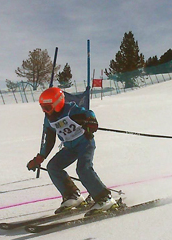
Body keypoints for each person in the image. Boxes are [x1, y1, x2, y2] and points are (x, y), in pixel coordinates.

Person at [27, 87, 117, 216]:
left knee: (83, 169)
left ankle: (105, 198)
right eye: (43, 108)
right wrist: (40, 157)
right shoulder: (48, 120)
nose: (46, 111)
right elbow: (50, 140)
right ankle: (72, 196)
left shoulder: (71, 110)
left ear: (58, 103)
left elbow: (88, 113)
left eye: (48, 107)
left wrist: (91, 122)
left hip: (85, 144)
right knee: (53, 167)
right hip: (70, 148)